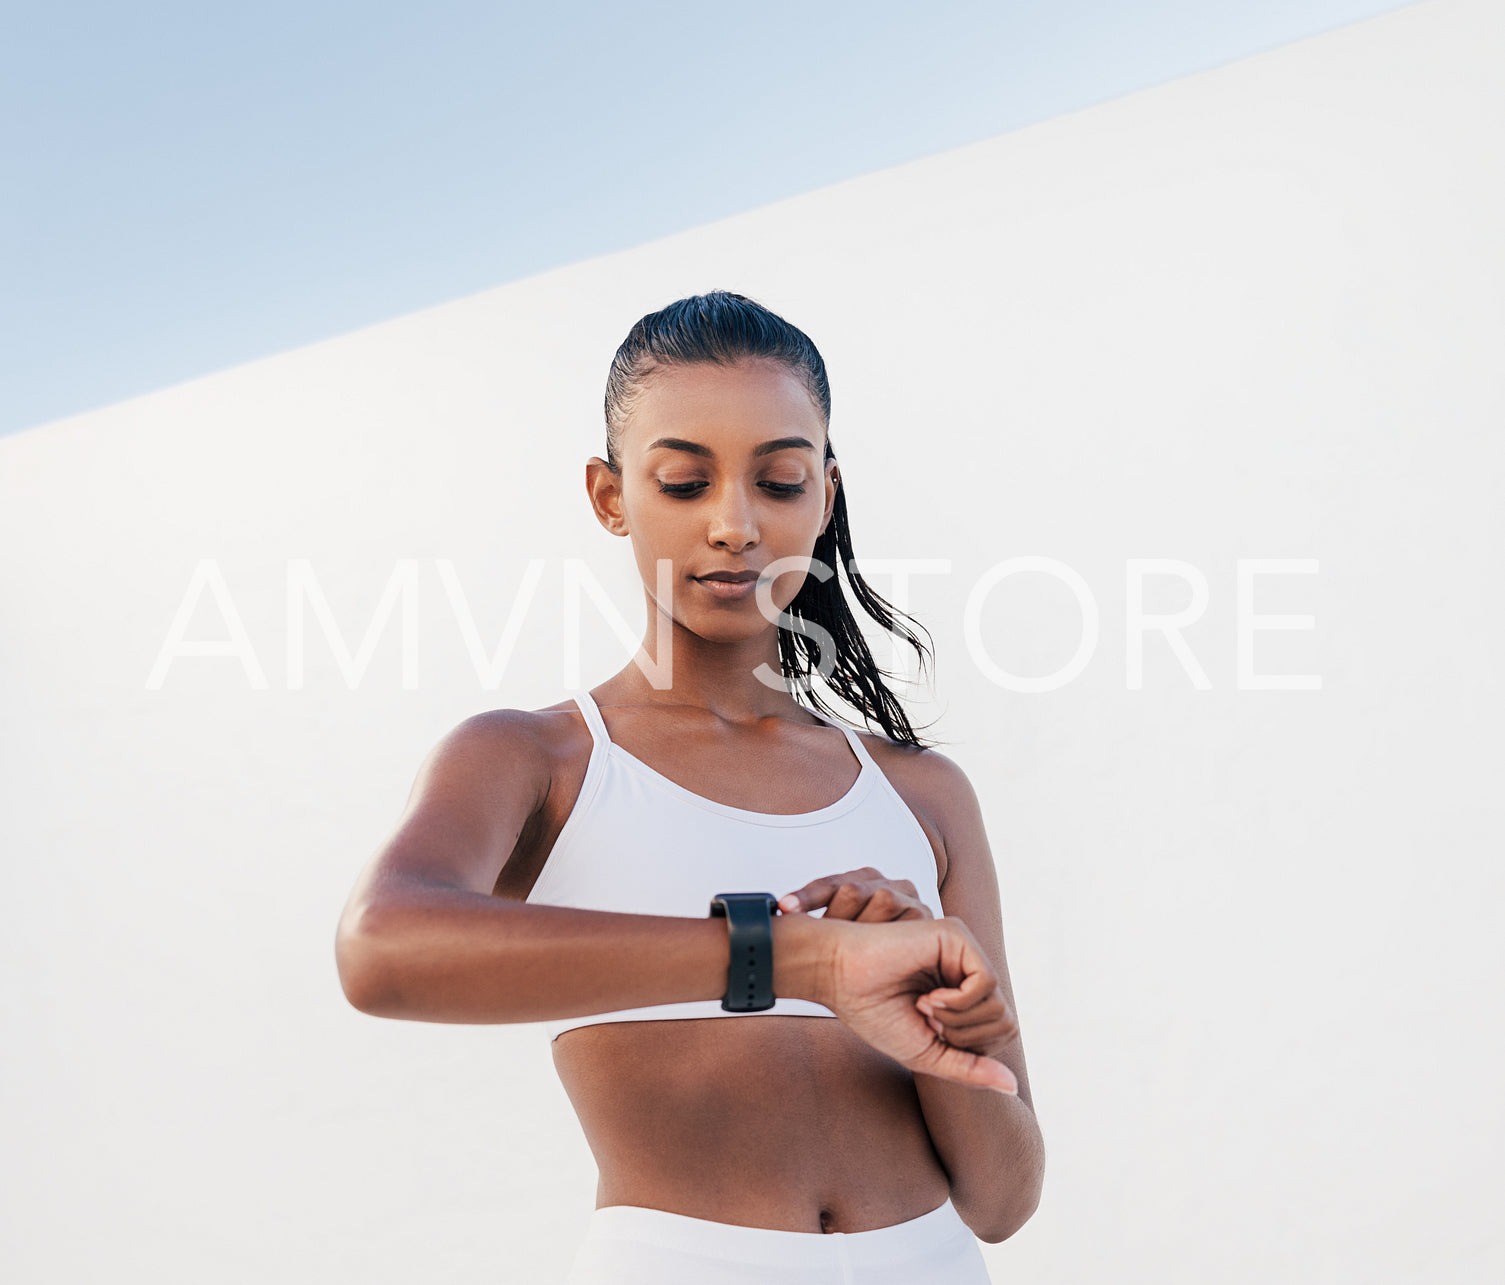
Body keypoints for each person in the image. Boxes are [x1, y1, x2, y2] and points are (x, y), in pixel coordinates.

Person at [335, 291, 1045, 1283]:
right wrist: (797, 962)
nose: (734, 525)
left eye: (781, 480)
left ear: (824, 495)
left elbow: (1004, 1200)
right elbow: (381, 950)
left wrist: (953, 1028)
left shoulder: (922, 793)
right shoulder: (540, 758)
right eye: (681, 482)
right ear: (609, 494)